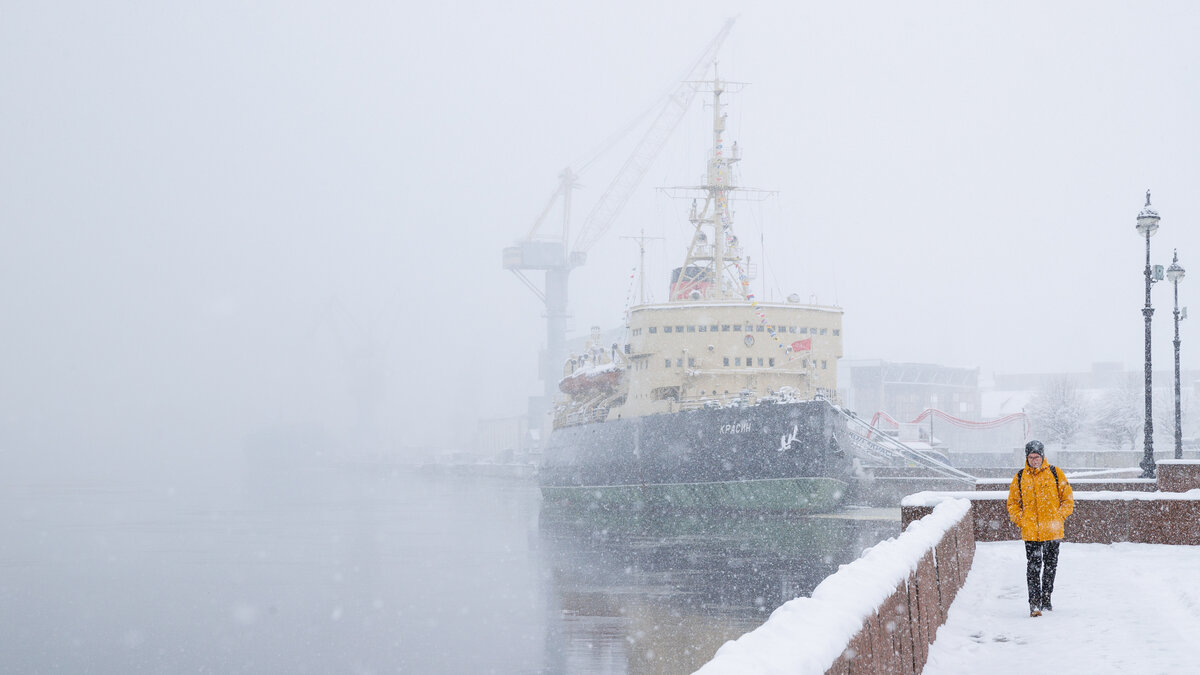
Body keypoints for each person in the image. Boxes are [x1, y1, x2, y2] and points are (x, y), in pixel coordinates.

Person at [1006, 440, 1074, 617]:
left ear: (1042, 456)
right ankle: (1034, 603)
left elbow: (1067, 499)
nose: (1034, 460)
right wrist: (1021, 520)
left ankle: (1046, 598)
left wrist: (1059, 516)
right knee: (1033, 568)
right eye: (1030, 457)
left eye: (1036, 457)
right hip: (1031, 532)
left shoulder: (1055, 473)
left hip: (1052, 530)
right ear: (1026, 458)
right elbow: (1013, 503)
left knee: (1050, 567)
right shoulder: (1020, 476)